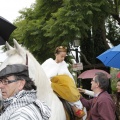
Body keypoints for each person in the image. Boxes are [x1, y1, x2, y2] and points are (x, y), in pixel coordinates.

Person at [41, 46, 86, 119]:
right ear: (56, 54)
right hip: (49, 85)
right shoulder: (48, 63)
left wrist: (72, 85)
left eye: (64, 57)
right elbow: (42, 74)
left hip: (61, 86)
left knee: (68, 91)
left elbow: (69, 77)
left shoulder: (63, 64)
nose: (63, 58)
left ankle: (73, 107)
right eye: (61, 56)